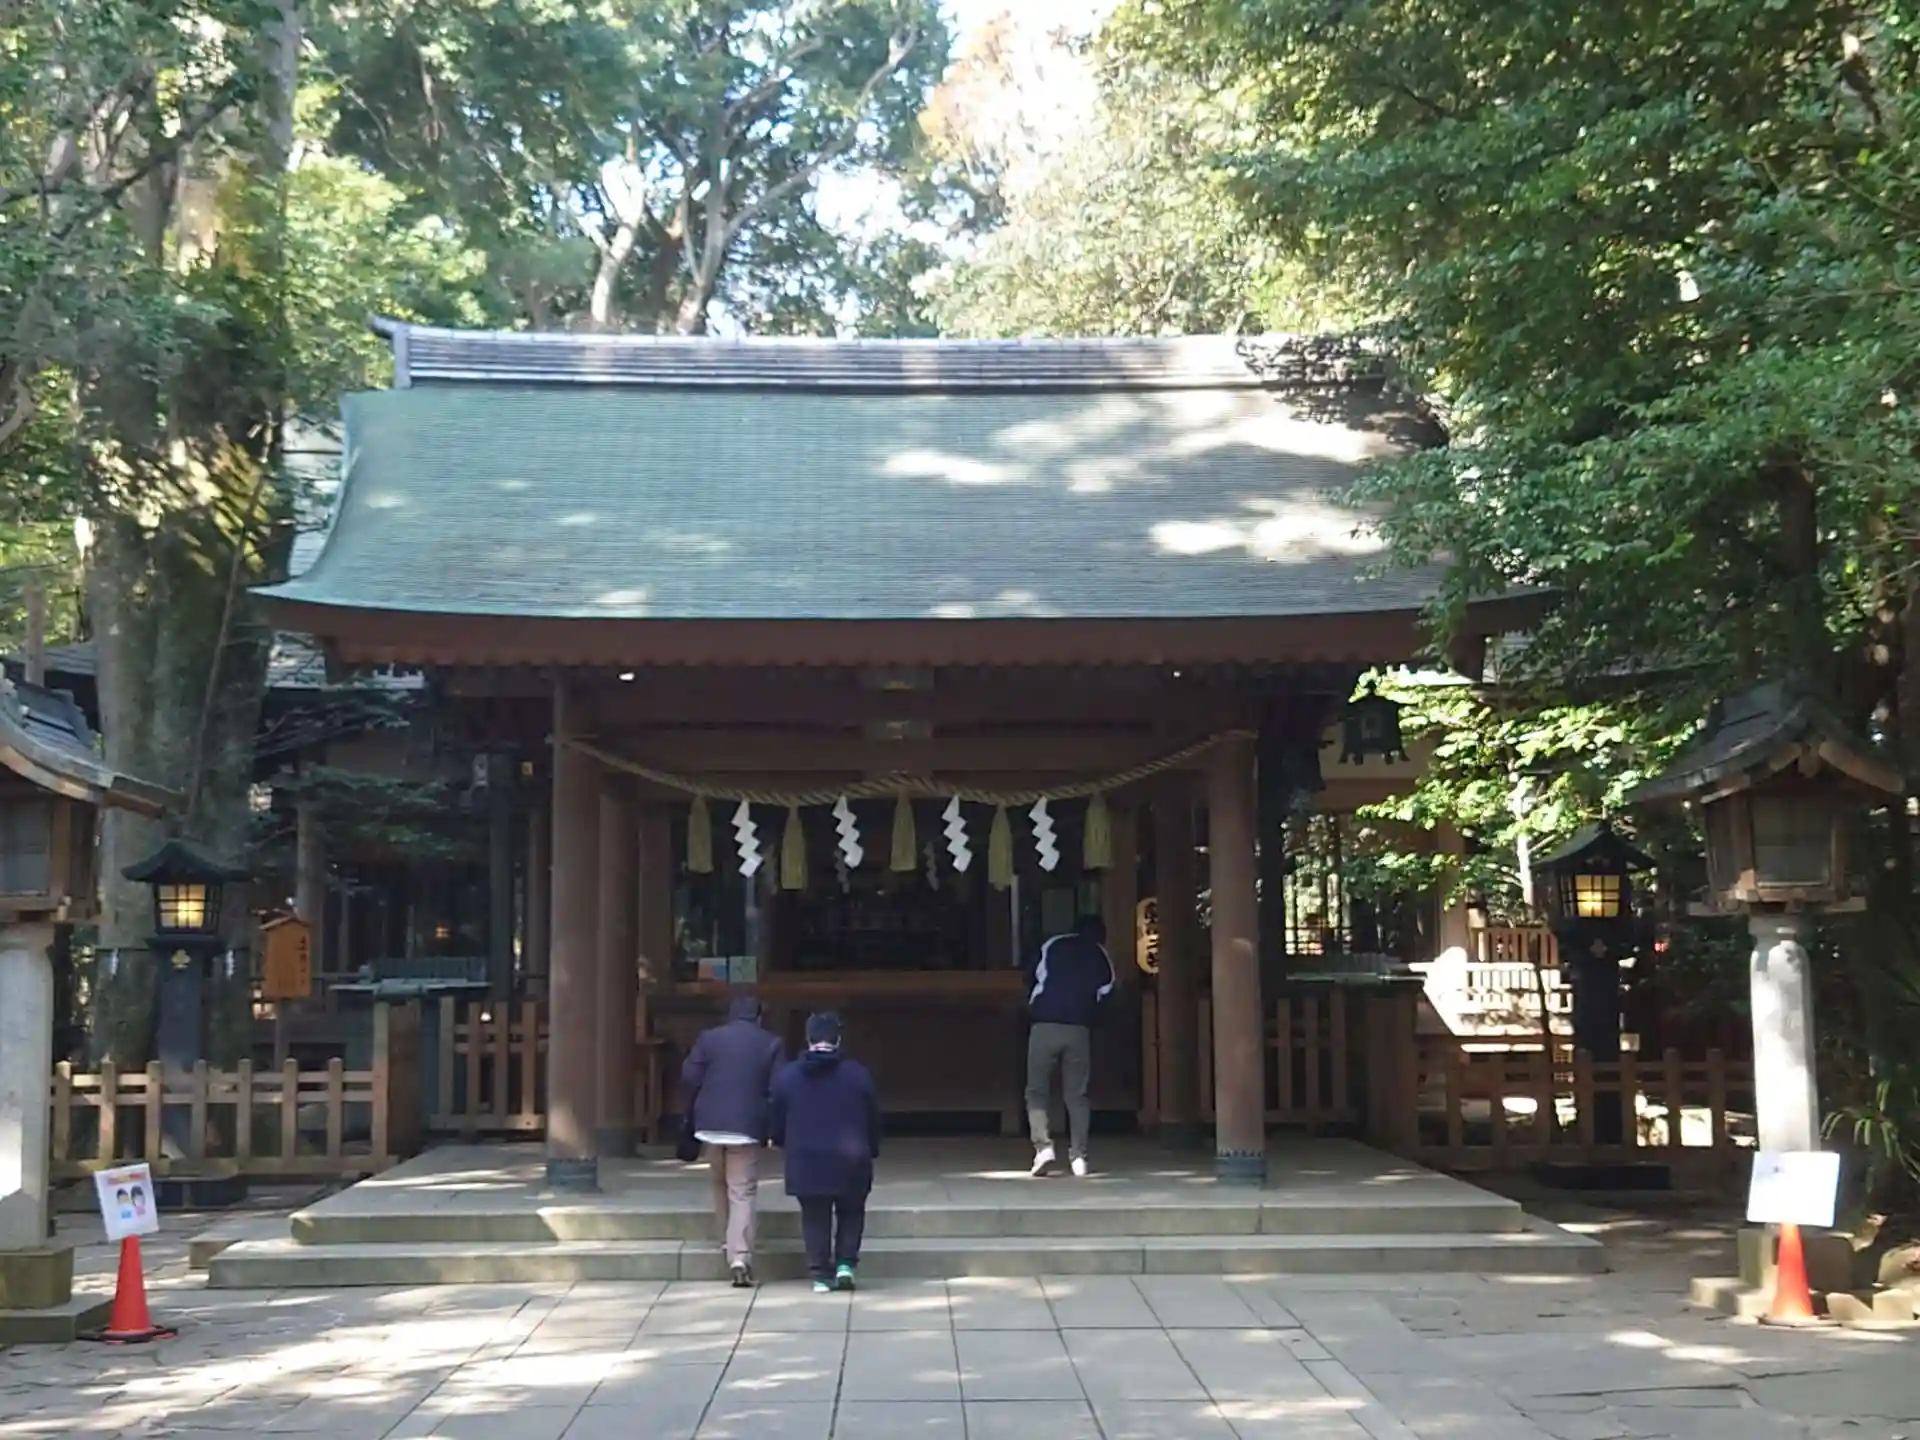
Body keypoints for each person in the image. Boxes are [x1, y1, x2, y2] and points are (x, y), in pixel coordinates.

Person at [771, 1012, 880, 1293]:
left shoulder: (788, 1076)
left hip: (806, 1158)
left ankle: (820, 1274)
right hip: (852, 1157)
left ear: (808, 1039)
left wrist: (781, 1141)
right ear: (838, 1040)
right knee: (851, 1212)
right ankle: (845, 1264)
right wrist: (872, 1147)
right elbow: (872, 1117)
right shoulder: (858, 1074)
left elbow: (777, 1117)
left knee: (814, 1216)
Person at [680, 994, 785, 1287]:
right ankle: (739, 1257)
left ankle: (725, 1239)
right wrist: (773, 1127)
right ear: (758, 1017)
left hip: (709, 1125)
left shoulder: (709, 1038)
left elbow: (690, 1075)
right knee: (741, 1191)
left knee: (719, 1183)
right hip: (746, 1126)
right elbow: (778, 1088)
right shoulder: (771, 1042)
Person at [1023, 913, 1115, 1177]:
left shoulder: (1052, 945)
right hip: (1078, 1028)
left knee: (1036, 1091)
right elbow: (1107, 992)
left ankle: (1043, 1148)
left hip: (1044, 1023)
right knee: (1077, 1095)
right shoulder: (1100, 955)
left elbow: (1029, 976)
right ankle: (1079, 1156)